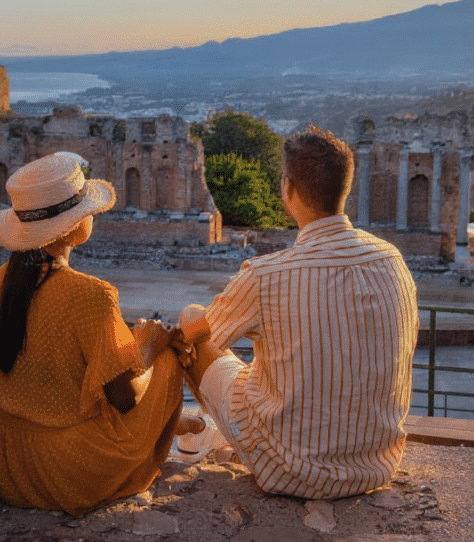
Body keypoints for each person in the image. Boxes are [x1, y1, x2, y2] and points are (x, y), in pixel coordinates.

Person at [177, 126, 419, 500]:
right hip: (377, 465)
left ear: (288, 189)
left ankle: (207, 433)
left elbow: (200, 336)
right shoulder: (393, 260)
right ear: (346, 189)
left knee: (193, 321)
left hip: (289, 469)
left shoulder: (266, 274)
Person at [0, 152, 203, 515]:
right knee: (170, 353)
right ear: (75, 225)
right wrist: (149, 345)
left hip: (5, 461)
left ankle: (170, 422)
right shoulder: (91, 295)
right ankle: (163, 426)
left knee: (137, 345)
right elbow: (124, 398)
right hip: (66, 471)